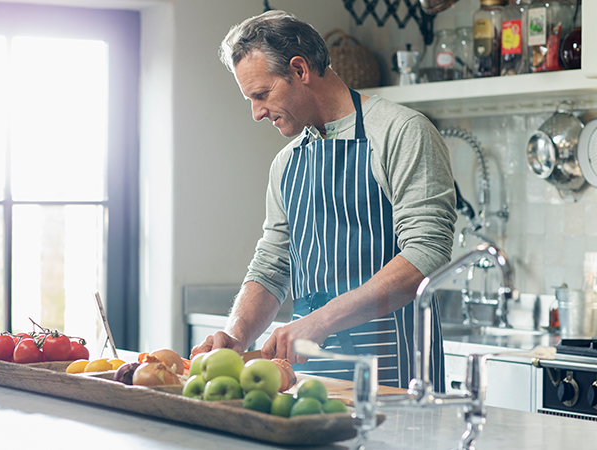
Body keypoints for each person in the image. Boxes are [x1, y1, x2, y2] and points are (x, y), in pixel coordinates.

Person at [191, 10, 456, 389]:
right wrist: (236, 334)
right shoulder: (286, 163)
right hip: (310, 379)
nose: (256, 113)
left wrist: (322, 320)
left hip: (395, 377)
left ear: (300, 70)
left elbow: (425, 256)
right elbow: (271, 266)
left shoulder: (402, 133)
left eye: (262, 95)